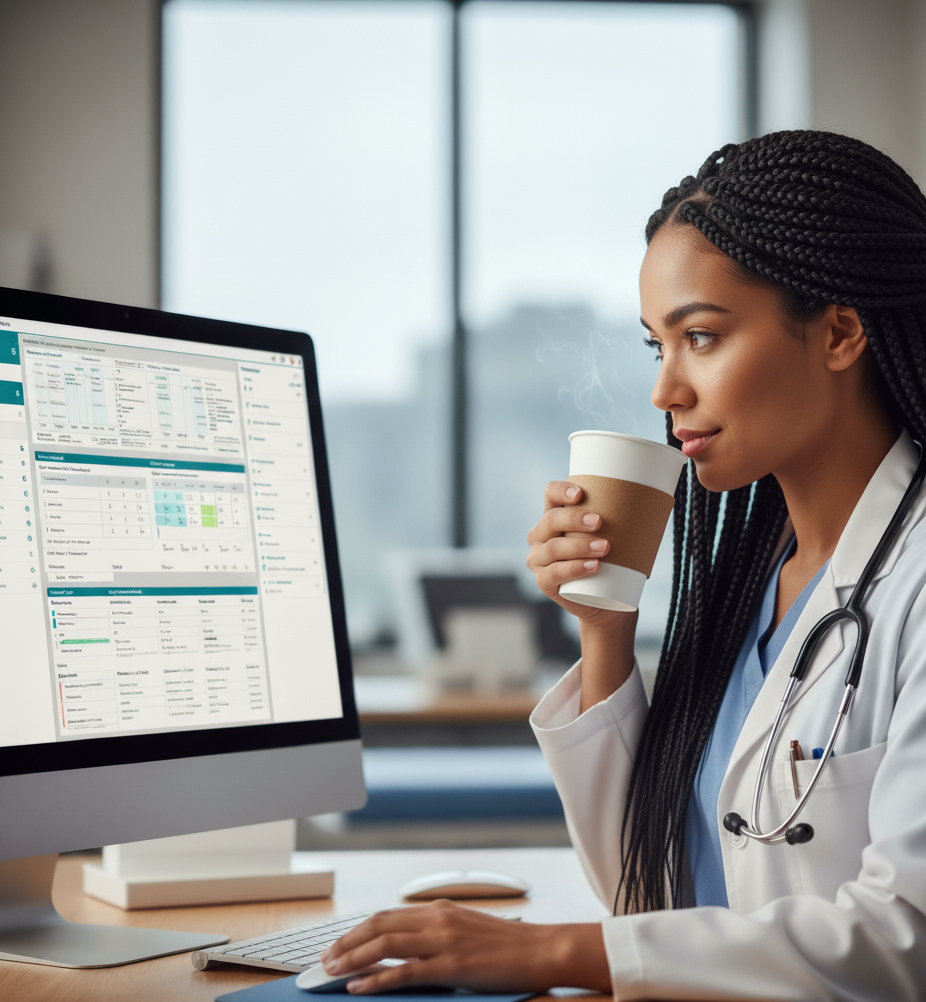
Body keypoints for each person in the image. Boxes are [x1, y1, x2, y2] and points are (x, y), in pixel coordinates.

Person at [320, 130, 926, 999]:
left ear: (839, 334)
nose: (664, 391)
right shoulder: (751, 592)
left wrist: (546, 953)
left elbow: (902, 941)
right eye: (657, 346)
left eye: (703, 337)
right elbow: (651, 900)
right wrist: (604, 630)